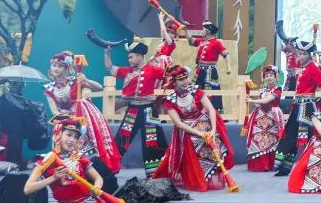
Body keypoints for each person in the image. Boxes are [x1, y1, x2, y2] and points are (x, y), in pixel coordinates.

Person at [152, 65, 236, 192]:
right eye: (181, 79)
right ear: (174, 82)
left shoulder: (197, 91)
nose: (185, 81)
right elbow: (179, 124)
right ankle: (200, 175)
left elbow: (211, 109)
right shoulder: (170, 100)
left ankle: (212, 173)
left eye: (186, 78)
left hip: (205, 123)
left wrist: (213, 130)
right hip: (187, 129)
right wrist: (199, 133)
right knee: (195, 141)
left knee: (215, 141)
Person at [44, 51, 121, 175]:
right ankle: (68, 168)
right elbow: (54, 110)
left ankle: (93, 169)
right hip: (66, 117)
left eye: (60, 66)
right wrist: (67, 117)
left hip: (85, 113)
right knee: (65, 141)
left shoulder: (75, 80)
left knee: (89, 139)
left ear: (66, 68)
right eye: (54, 65)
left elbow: (99, 87)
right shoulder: (49, 88)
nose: (56, 68)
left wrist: (85, 79)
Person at [105, 40, 168, 177]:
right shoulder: (127, 71)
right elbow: (109, 68)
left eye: (131, 57)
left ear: (140, 56)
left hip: (149, 110)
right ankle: (110, 169)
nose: (129, 59)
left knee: (152, 141)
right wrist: (107, 53)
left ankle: (155, 174)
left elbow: (168, 74)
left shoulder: (152, 69)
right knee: (122, 139)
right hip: (132, 110)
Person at [273, 42, 321, 176]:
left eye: (304, 54)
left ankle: (311, 164)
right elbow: (291, 64)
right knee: (291, 133)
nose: (301, 56)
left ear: (309, 55)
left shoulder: (313, 68)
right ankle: (285, 166)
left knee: (306, 136)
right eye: (300, 53)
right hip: (297, 106)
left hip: (307, 107)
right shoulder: (301, 66)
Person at [242, 67, 284, 172]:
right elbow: (260, 103)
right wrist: (250, 100)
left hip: (273, 117)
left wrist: (252, 100)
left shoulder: (278, 89)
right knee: (257, 138)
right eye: (267, 76)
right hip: (260, 116)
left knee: (271, 139)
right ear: (264, 78)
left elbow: (266, 100)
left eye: (271, 75)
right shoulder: (263, 90)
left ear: (276, 77)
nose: (269, 78)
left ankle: (270, 164)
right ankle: (260, 164)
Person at [186, 21, 229, 96]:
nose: (201, 31)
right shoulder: (201, 41)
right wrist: (185, 29)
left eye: (203, 29)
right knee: (195, 91)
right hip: (199, 71)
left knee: (210, 93)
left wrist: (229, 67)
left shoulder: (216, 43)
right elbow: (191, 40)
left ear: (208, 31)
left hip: (210, 72)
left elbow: (226, 54)